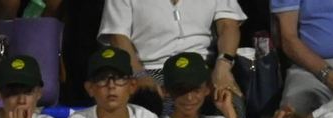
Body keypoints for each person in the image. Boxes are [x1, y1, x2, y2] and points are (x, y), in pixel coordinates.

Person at [100, 0, 245, 100]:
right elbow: (118, 36)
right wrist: (139, 74)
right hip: (151, 68)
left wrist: (223, 66)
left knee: (229, 101)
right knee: (156, 107)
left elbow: (228, 25)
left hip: (202, 67)